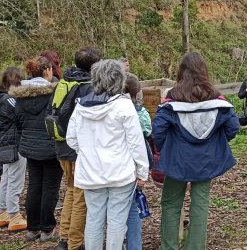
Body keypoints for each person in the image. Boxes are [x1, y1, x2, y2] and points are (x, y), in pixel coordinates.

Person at [152, 52, 240, 250]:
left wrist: (168, 148)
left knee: (171, 204)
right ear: (204, 72)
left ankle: (169, 247)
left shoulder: (172, 98)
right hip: (206, 161)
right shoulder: (216, 99)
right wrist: (215, 144)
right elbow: (233, 127)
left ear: (181, 72)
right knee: (200, 205)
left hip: (177, 160)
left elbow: (157, 130)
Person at [67, 60, 149, 250]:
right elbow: (136, 143)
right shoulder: (124, 106)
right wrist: (142, 171)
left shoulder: (81, 106)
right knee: (117, 221)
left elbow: (71, 138)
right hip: (120, 174)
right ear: (119, 80)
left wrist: (87, 152)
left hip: (90, 173)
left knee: (93, 219)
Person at [11, 56, 62, 242]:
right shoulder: (53, 93)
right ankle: (47, 228)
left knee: (34, 186)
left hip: (30, 146)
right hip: (50, 146)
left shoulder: (21, 95)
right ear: (47, 70)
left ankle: (33, 228)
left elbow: (17, 120)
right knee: (50, 188)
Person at [56, 46, 102, 250]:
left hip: (61, 145)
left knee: (71, 191)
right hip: (79, 149)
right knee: (82, 197)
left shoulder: (64, 82)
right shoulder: (90, 87)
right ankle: (75, 243)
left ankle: (64, 237)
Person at [0, 67, 28, 231]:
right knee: (15, 181)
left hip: (4, 143)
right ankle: (14, 215)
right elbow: (21, 116)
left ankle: (2, 212)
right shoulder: (9, 100)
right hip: (15, 143)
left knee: (6, 178)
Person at [123, 73, 153, 250]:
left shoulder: (94, 107)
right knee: (132, 210)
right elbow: (141, 140)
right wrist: (143, 171)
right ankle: (133, 245)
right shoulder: (135, 113)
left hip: (103, 170)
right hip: (130, 168)